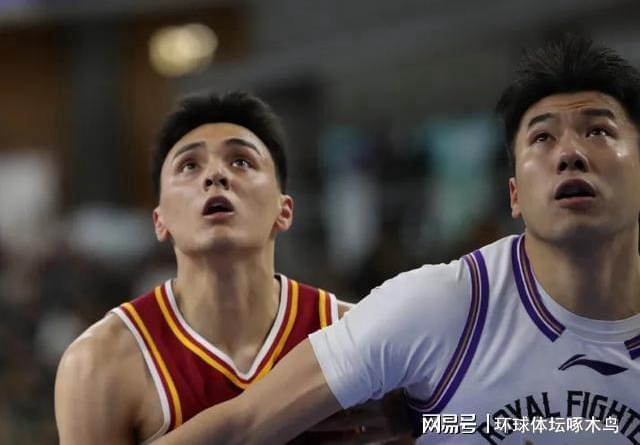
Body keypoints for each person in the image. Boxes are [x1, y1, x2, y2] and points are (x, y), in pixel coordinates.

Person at [150, 34, 640, 445]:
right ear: (515, 195)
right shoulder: (444, 305)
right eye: (542, 137)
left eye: (598, 131)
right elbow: (242, 425)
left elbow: (577, 425)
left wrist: (431, 421)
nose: (570, 153)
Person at [54, 91, 361, 444]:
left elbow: (425, 428)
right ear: (160, 221)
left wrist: (410, 417)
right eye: (189, 165)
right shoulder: (99, 361)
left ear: (284, 210)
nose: (215, 174)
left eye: (241, 161)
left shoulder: (355, 332)